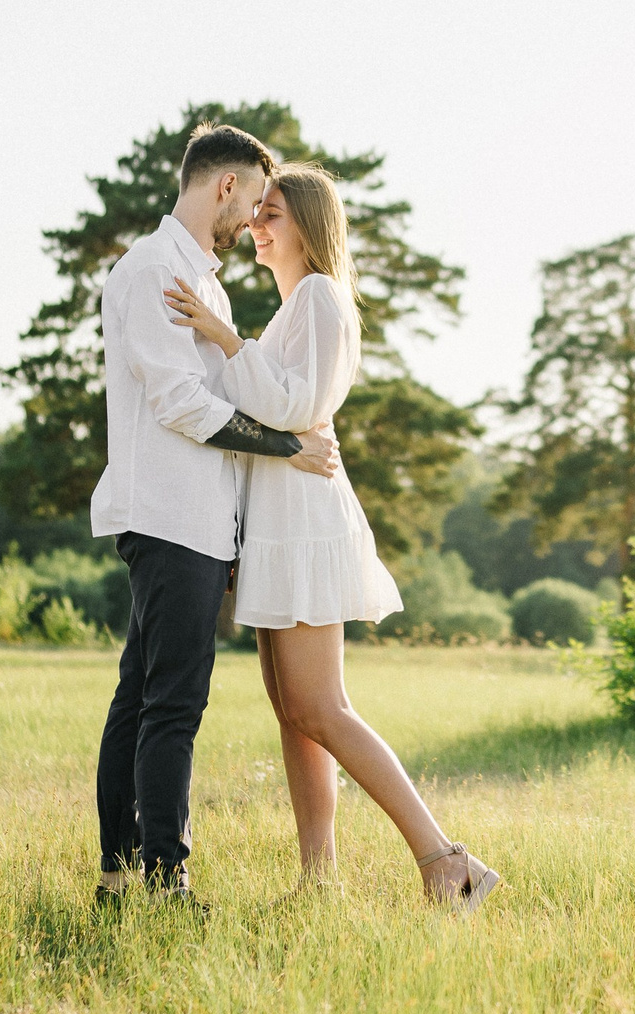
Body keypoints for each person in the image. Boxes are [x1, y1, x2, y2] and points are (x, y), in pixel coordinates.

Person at [166, 163, 502, 912]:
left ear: (311, 225)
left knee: (323, 707)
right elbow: (264, 415)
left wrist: (223, 336)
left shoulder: (319, 296)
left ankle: (449, 863)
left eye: (273, 213)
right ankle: (318, 882)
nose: (257, 224)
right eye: (258, 212)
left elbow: (296, 405)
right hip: (275, 527)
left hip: (307, 527)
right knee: (295, 714)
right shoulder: (292, 310)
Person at [92, 122, 340, 908]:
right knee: (173, 703)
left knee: (142, 695)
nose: (254, 221)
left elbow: (231, 388)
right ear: (223, 186)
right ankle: (166, 883)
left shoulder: (209, 285)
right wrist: (283, 445)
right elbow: (177, 402)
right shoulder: (152, 269)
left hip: (202, 521)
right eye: (255, 201)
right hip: (168, 515)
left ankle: (119, 879)